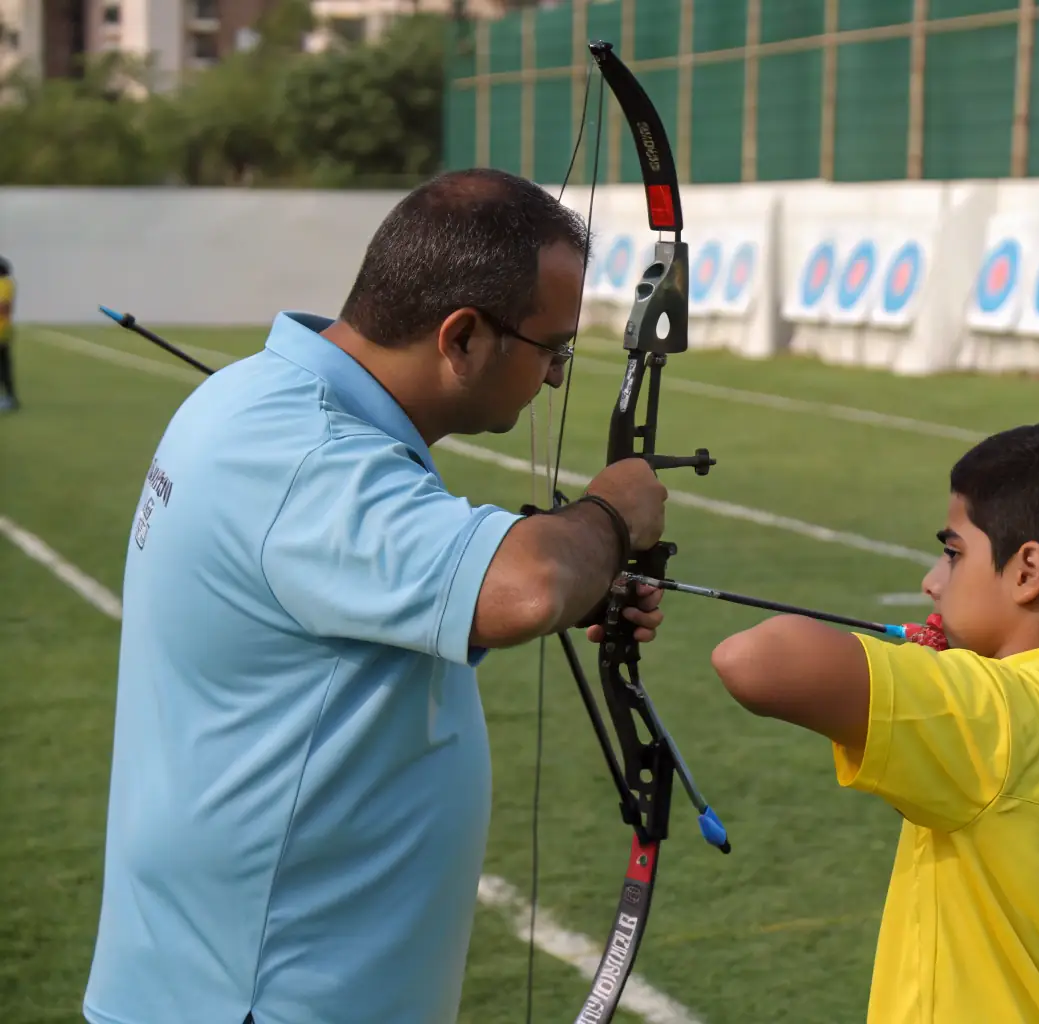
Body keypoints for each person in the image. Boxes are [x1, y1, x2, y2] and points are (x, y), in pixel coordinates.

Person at [83, 168, 670, 1024]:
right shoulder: (302, 454)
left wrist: (583, 581)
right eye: (553, 349)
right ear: (462, 336)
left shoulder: (260, 401)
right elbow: (529, 585)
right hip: (258, 997)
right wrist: (613, 512)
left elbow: (338, 605)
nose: (553, 379)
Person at [710, 420, 1039, 1024]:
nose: (932, 580)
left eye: (953, 553)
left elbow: (753, 660)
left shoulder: (996, 714)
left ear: (1028, 571)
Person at [0, 257, 16, 411]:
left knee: (3, 366)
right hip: (4, 330)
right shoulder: (7, 283)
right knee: (4, 365)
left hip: (1, 330)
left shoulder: (4, 284)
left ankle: (10, 398)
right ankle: (9, 397)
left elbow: (4, 307)